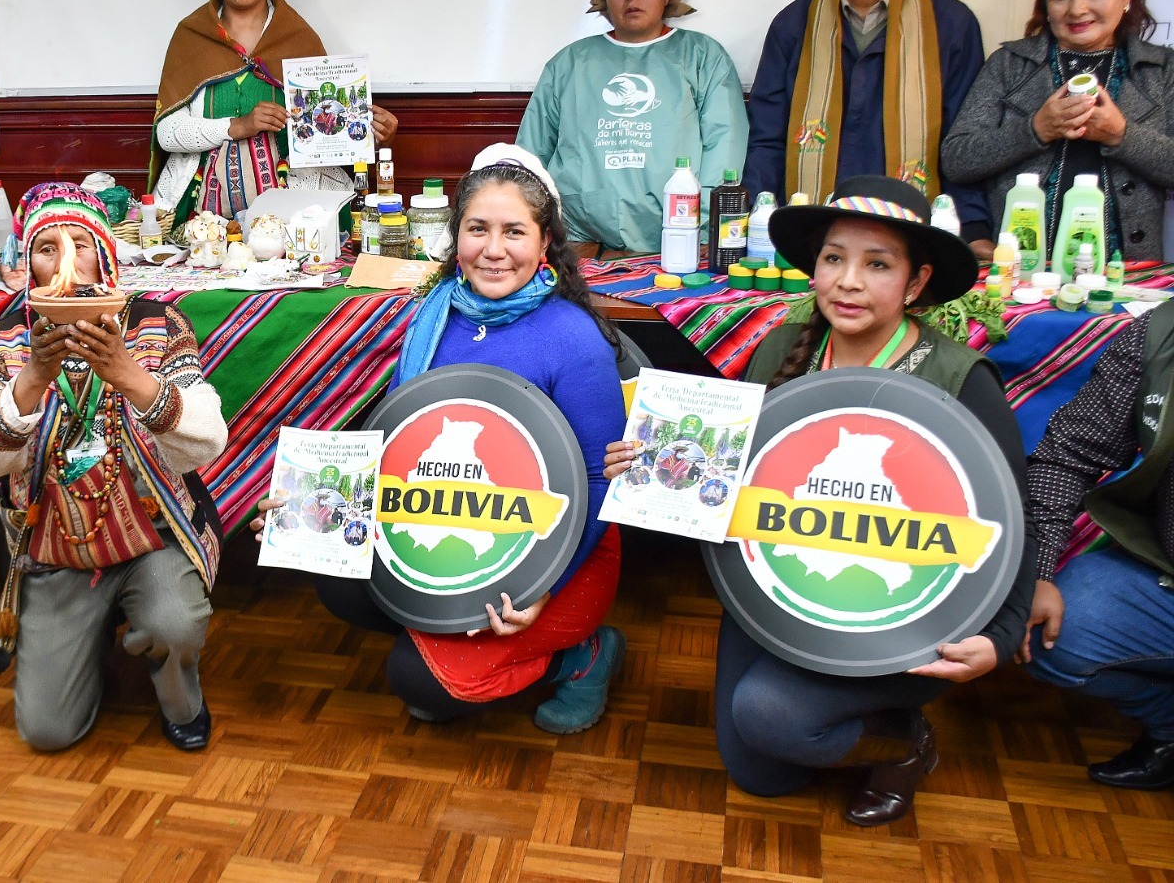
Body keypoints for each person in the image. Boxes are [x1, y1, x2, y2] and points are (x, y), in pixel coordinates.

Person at [604, 175, 1037, 825]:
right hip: (787, 590)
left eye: (877, 264)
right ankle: (847, 719)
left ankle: (905, 743)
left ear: (916, 283)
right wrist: (654, 471)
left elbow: (1014, 520)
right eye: (835, 258)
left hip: (897, 614)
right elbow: (721, 482)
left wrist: (1001, 638)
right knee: (757, 772)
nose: (849, 281)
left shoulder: (959, 380)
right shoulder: (784, 350)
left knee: (767, 715)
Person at [252, 144, 629, 733]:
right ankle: (442, 621)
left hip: (559, 551)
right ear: (457, 236)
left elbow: (604, 482)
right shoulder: (435, 313)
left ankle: (583, 656)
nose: (494, 250)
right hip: (451, 518)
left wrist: (543, 591)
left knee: (421, 684)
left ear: (545, 241)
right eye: (478, 229)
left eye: (514, 232)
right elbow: (400, 443)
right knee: (341, 586)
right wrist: (302, 514)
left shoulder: (574, 339)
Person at [0, 183, 227, 751]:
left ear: (105, 253)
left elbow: (207, 440)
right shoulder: (3, 341)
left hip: (153, 536)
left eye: (81, 243)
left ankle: (180, 697)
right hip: (57, 548)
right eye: (47, 248)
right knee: (47, 732)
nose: (65, 262)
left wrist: (128, 374)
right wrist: (30, 383)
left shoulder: (155, 325)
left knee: (172, 623)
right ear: (27, 263)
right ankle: (86, 637)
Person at [744, 0, 994, 257]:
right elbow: (766, 138)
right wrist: (757, 221)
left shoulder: (950, 25)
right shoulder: (794, 24)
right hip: (812, 230)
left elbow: (961, 142)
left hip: (912, 232)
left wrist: (974, 226)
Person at [148, 0, 397, 223]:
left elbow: (323, 138)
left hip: (293, 224)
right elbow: (167, 132)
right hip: (200, 226)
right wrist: (238, 126)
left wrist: (367, 133)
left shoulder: (299, 39)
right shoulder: (191, 36)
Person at [941, 0, 1174, 260]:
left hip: (1128, 275)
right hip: (1018, 270)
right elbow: (956, 160)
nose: (1077, 9)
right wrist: (1035, 130)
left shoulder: (1161, 70)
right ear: (1046, 5)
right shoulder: (1010, 65)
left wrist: (1122, 135)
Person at [1022, 299, 1174, 789]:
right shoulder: (1160, 330)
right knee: (1056, 627)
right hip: (1164, 572)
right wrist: (1038, 570)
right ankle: (1171, 728)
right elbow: (1069, 451)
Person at [516, 0, 748, 258]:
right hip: (579, 240)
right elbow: (530, 154)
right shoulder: (569, 63)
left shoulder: (701, 56)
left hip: (682, 235)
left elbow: (726, 144)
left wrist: (703, 223)